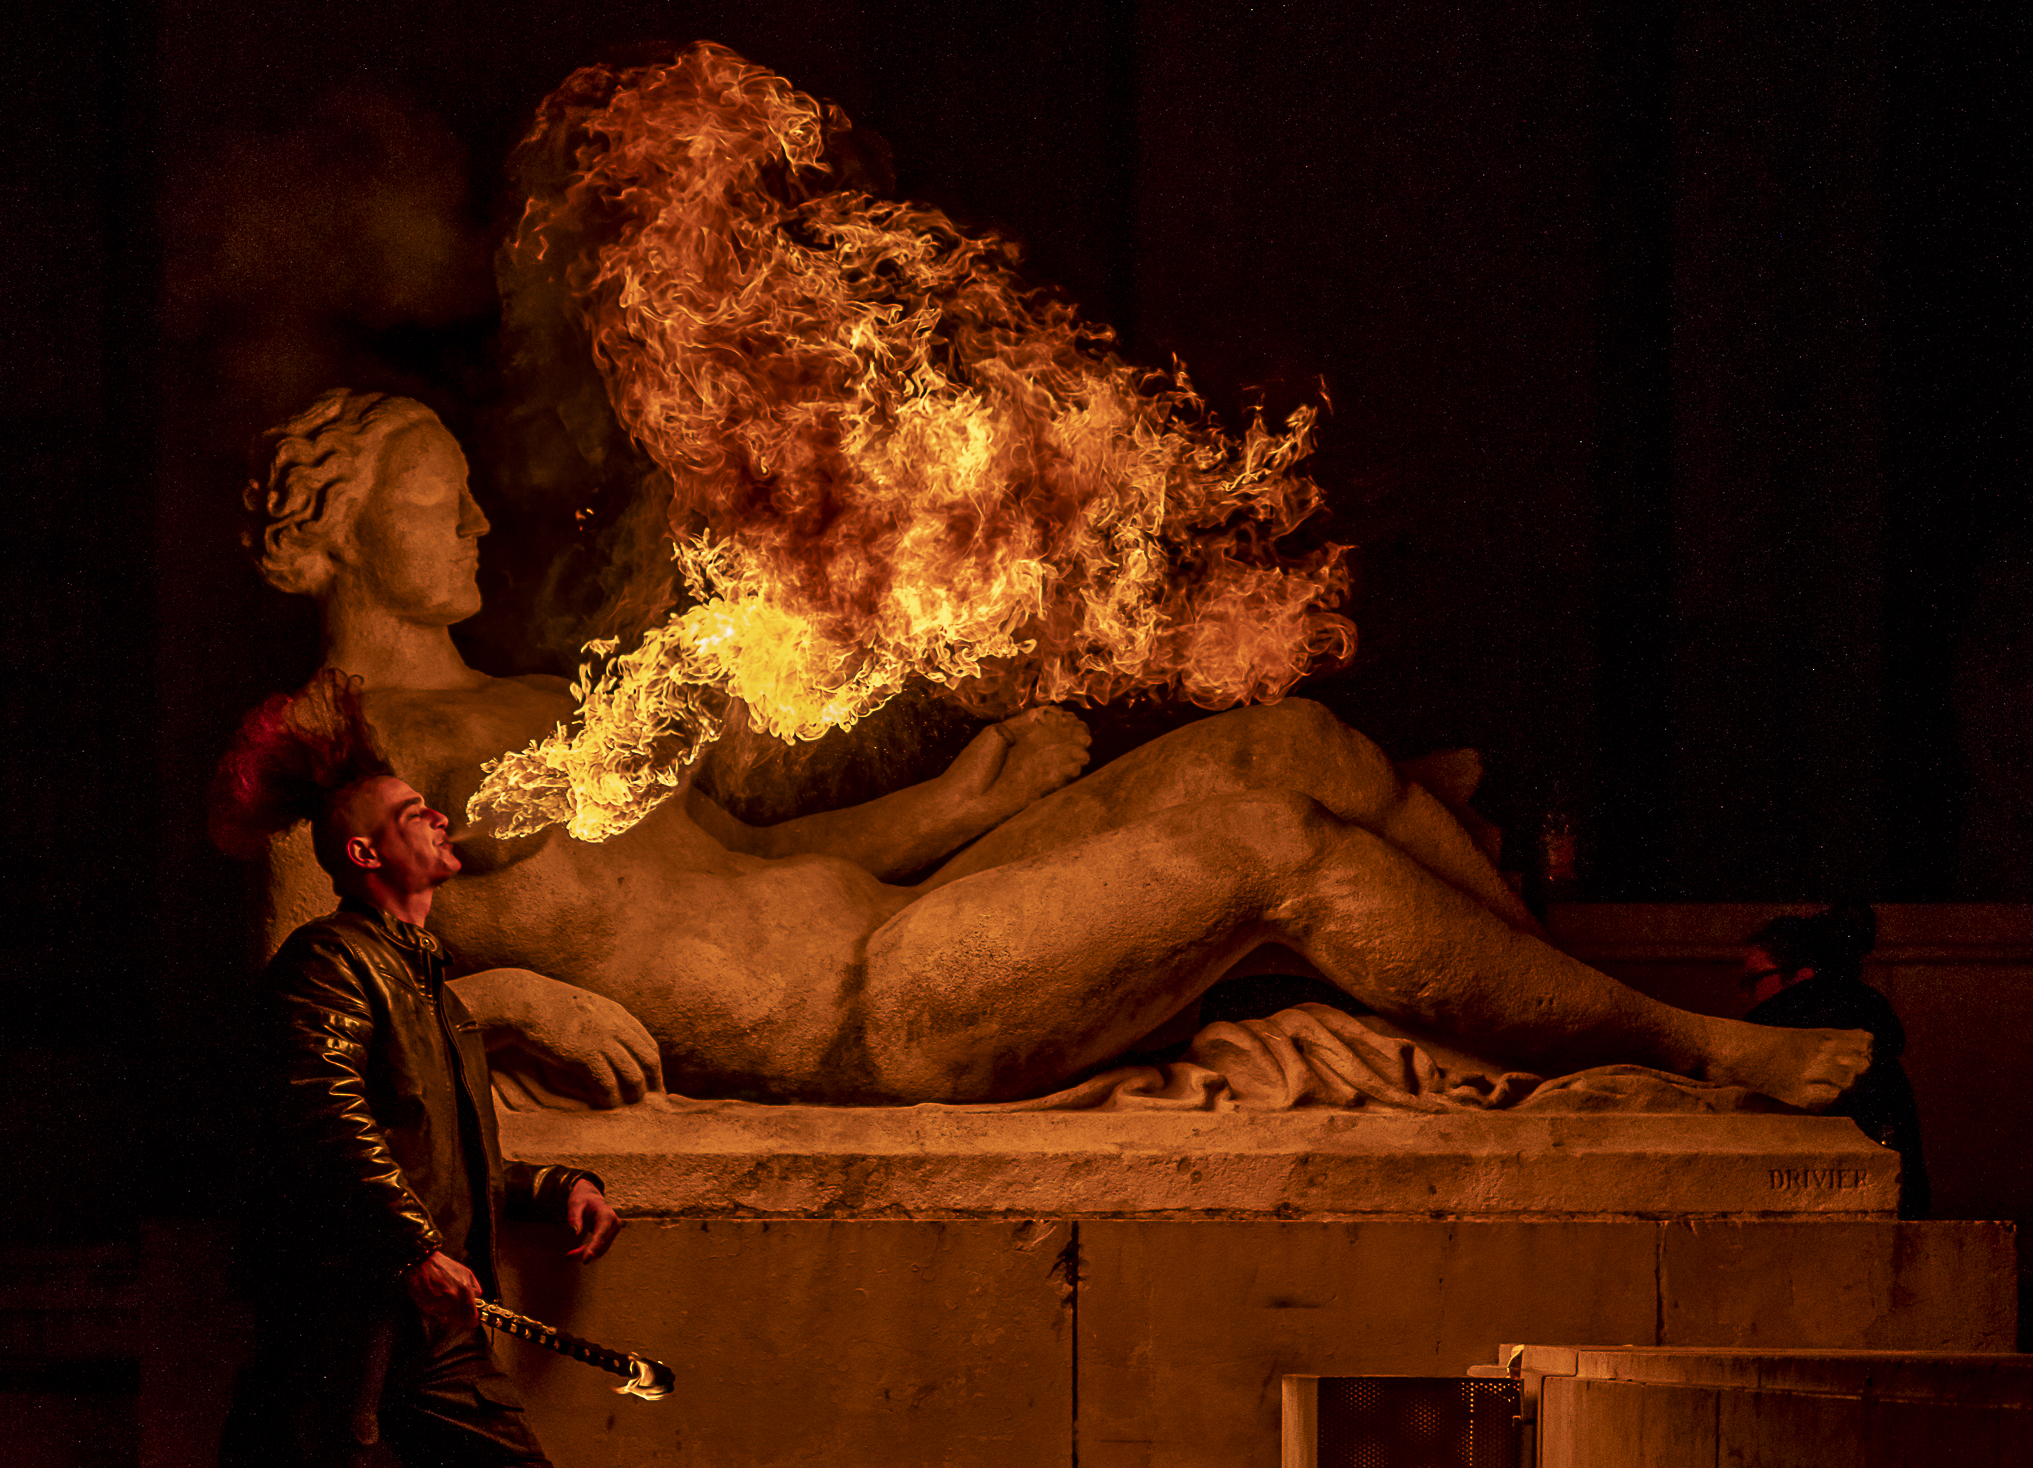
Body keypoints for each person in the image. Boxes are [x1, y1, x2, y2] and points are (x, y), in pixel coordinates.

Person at [216, 389, 1874, 1118]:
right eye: (441, 487)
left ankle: (1536, 1030)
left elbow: (763, 871)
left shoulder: (524, 704)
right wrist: (508, 1005)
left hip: (897, 927)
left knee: (1287, 737)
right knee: (1262, 855)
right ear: (337, 524)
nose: (480, 511)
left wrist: (956, 800)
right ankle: (1691, 1051)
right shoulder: (327, 758)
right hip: (873, 1021)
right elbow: (300, 1016)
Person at [190, 754, 693, 1468]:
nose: (443, 818)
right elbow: (323, 1113)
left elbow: (451, 1158)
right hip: (342, 1323)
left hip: (432, 1325)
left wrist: (547, 1187)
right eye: (416, 812)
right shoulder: (328, 965)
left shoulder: (425, 981)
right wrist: (406, 1247)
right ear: (365, 853)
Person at [1740, 905, 1930, 1216]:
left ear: (1801, 975)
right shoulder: (1878, 1042)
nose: (1747, 994)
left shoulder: (1768, 1040)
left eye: (1754, 979)